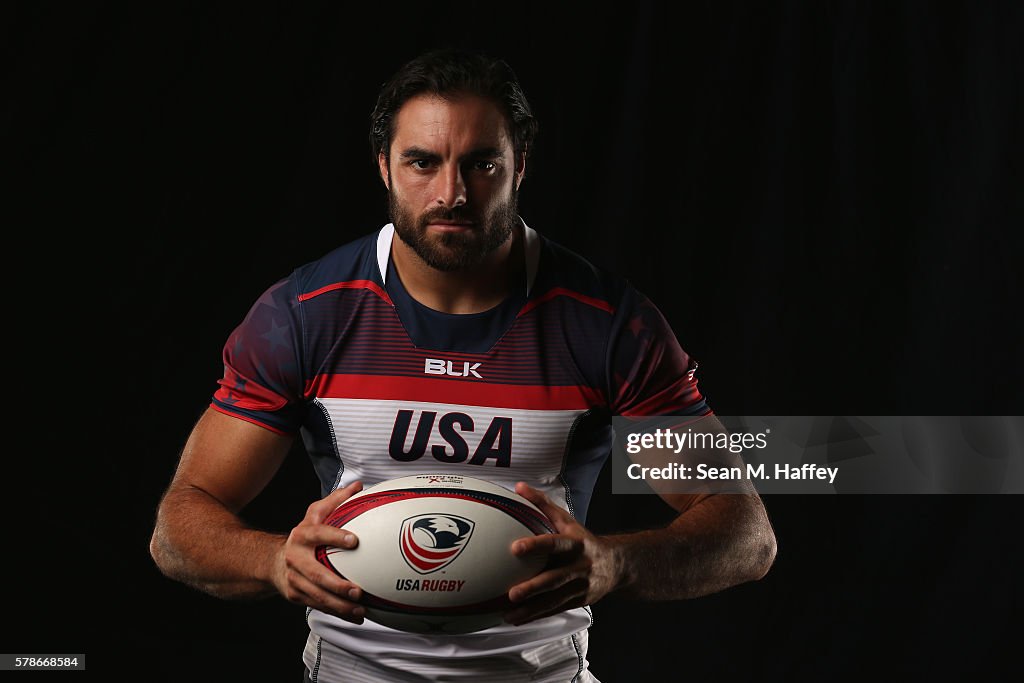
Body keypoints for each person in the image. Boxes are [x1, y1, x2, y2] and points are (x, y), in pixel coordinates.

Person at [149, 47, 777, 682]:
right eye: (422, 162)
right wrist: (272, 561)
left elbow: (746, 533)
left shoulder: (606, 324)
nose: (451, 194)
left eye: (481, 164)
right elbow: (180, 524)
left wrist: (618, 564)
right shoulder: (307, 316)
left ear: (519, 167)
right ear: (384, 170)